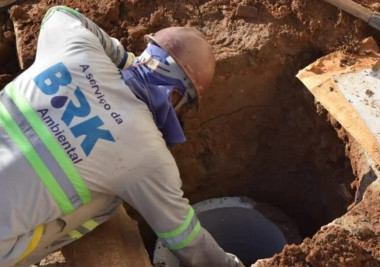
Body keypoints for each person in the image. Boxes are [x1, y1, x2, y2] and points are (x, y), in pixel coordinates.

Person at [0, 5, 244, 267]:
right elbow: (185, 238)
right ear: (174, 95)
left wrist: (119, 60)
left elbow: (59, 13)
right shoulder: (147, 153)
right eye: (185, 104)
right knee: (108, 198)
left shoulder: (76, 46)